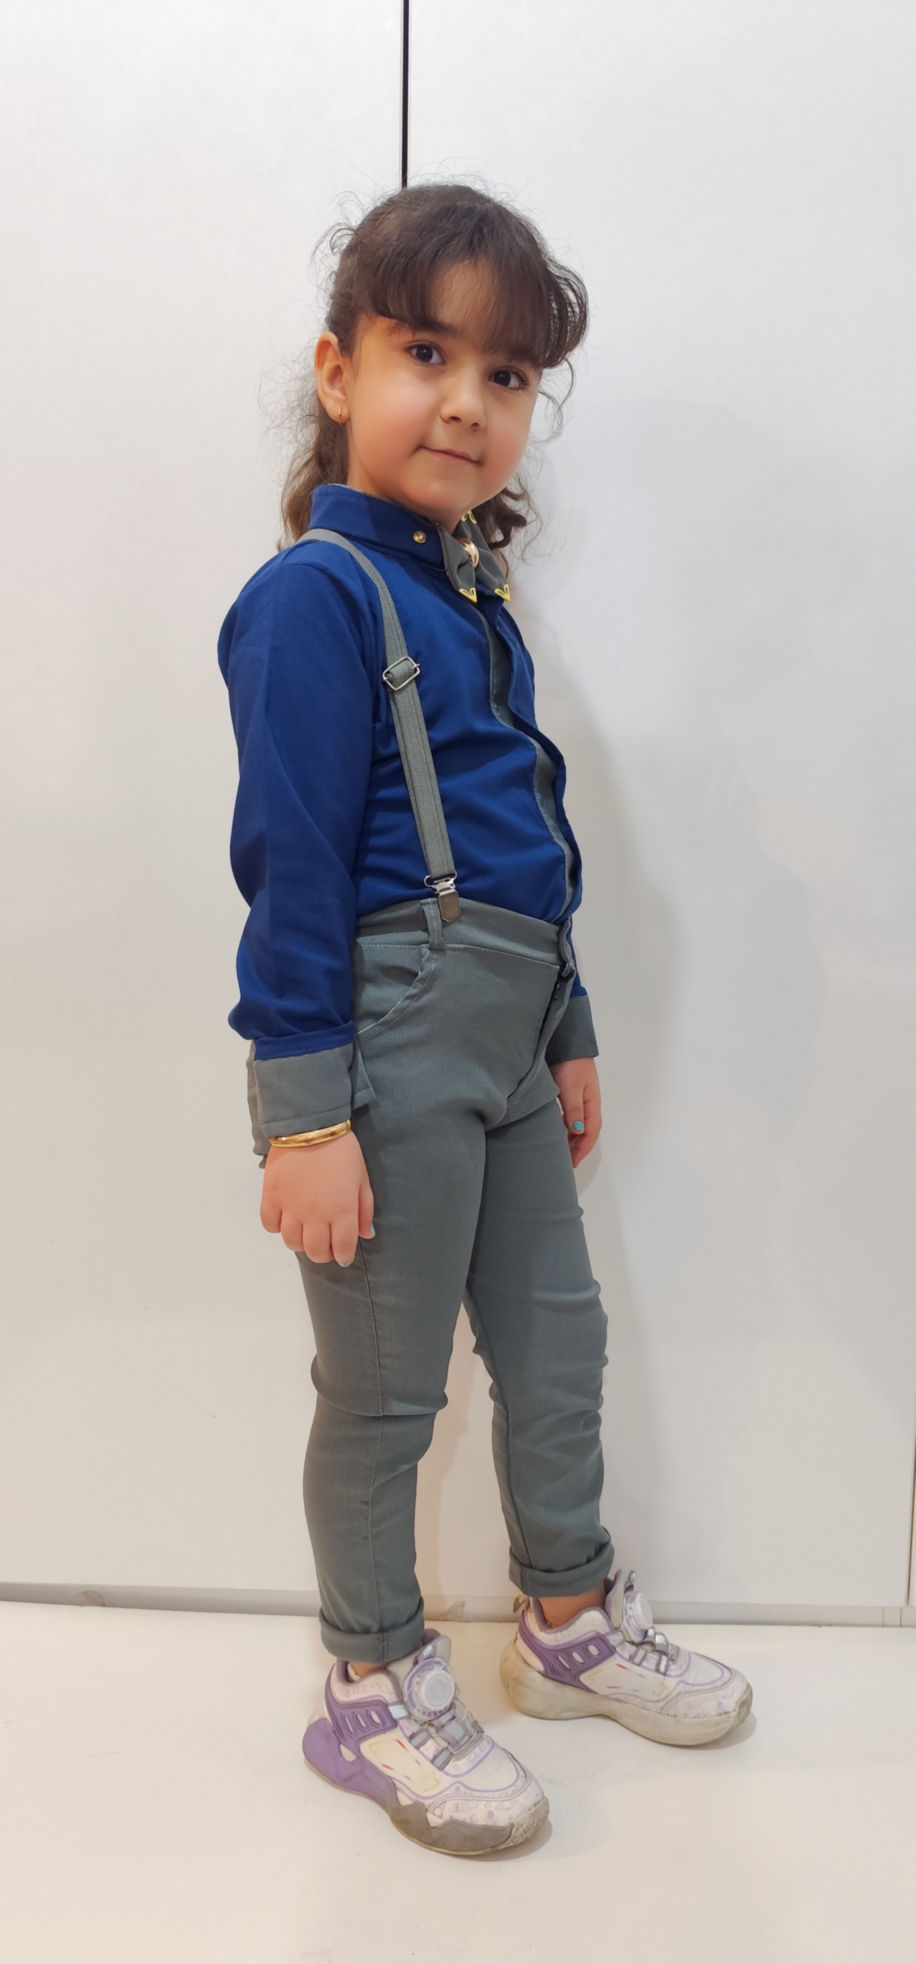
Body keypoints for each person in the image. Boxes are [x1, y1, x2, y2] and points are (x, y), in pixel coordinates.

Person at [218, 180, 752, 1858]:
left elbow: (528, 834)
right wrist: (304, 1113)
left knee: (557, 1346)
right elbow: (291, 869)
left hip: (509, 1036)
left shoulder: (472, 602)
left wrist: (567, 1022)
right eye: (426, 354)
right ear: (339, 371)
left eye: (507, 375)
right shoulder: (316, 597)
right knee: (387, 1395)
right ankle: (371, 1680)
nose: (467, 401)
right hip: (387, 1036)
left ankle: (567, 1621)